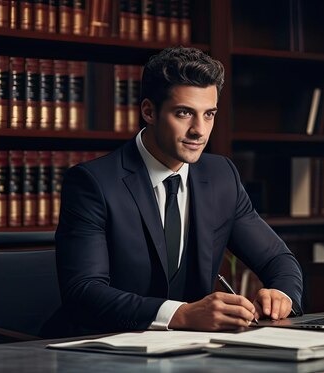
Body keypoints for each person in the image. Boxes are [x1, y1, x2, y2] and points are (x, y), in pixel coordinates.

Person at [41, 46, 303, 338]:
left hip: (191, 354)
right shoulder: (92, 183)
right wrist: (180, 314)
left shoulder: (221, 176)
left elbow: (277, 259)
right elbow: (84, 292)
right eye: (184, 114)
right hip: (99, 349)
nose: (199, 131)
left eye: (209, 114)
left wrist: (281, 295)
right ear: (149, 111)